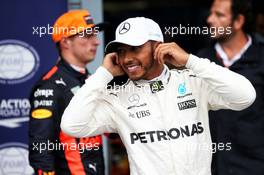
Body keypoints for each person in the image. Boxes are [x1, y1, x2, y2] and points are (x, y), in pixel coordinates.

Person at [61, 17, 256, 175]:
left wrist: (191, 61)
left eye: (135, 48)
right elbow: (71, 125)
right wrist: (103, 73)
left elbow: (245, 96)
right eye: (121, 51)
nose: (127, 58)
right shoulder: (117, 97)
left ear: (158, 47)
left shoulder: (192, 82)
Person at [29, 10, 105, 175]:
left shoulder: (92, 80)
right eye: (87, 35)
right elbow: (41, 146)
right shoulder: (49, 86)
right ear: (65, 42)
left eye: (95, 35)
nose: (96, 42)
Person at [197, 0, 264, 174]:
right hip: (212, 167)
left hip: (254, 166)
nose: (210, 19)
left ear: (238, 21)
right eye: (211, 13)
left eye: (219, 15)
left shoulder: (261, 57)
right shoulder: (201, 61)